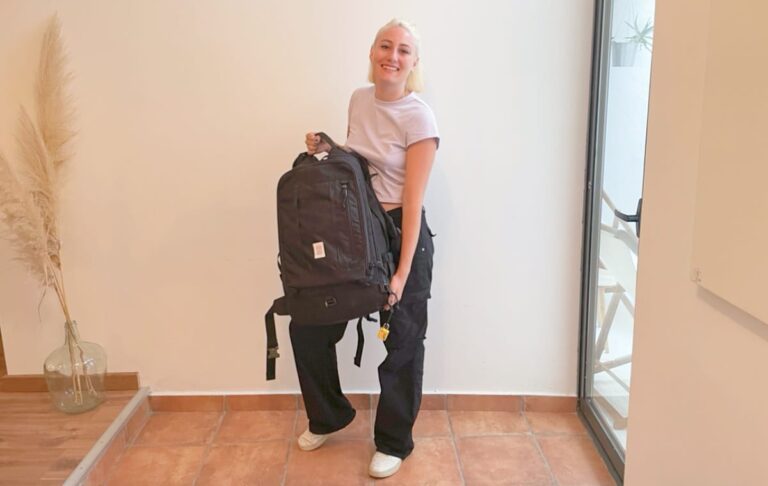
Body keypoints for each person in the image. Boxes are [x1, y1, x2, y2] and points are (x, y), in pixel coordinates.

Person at [290, 18, 439, 479]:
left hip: (399, 235)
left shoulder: (420, 117)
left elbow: (412, 204)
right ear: (373, 51)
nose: (392, 56)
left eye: (403, 50)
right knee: (308, 326)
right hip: (354, 234)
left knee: (403, 344)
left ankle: (394, 442)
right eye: (385, 46)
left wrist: (399, 275)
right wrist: (329, 146)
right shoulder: (359, 99)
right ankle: (328, 415)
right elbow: (360, 165)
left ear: (413, 63)